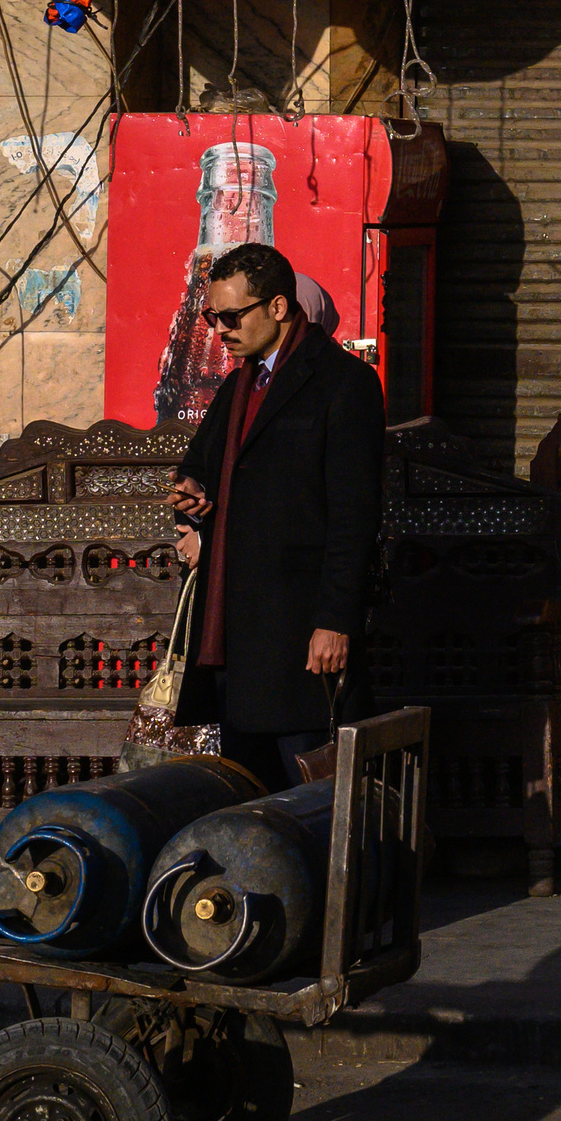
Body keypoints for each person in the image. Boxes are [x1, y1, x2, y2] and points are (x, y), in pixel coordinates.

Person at [165, 243, 383, 789]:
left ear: (278, 307)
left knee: (312, 792)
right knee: (249, 795)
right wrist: (193, 492)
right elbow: (202, 466)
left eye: (233, 316)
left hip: (300, 628)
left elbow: (354, 516)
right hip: (238, 632)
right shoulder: (239, 385)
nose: (221, 330)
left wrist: (335, 621)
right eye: (213, 317)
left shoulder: (344, 383)